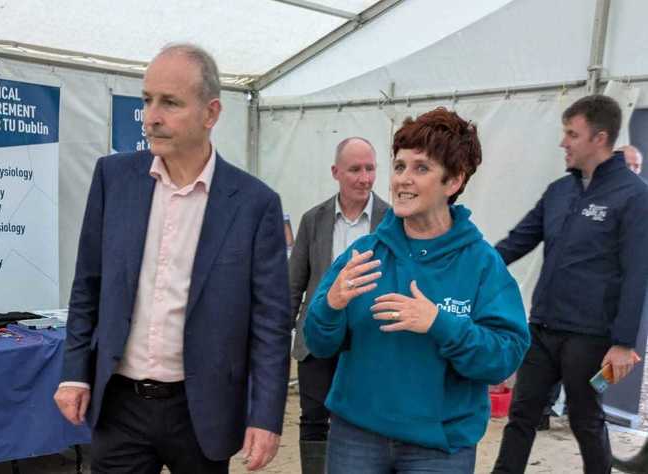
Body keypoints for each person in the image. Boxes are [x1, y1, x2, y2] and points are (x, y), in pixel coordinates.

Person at [54, 43, 292, 474]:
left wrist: (265, 415)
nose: (151, 116)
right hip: (120, 406)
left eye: (170, 102)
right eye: (147, 100)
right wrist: (74, 373)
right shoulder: (113, 179)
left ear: (211, 113)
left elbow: (270, 322)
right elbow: (88, 283)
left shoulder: (254, 204)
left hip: (203, 410)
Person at [304, 108, 530, 473]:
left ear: (453, 181)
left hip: (439, 450)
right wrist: (330, 306)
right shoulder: (364, 254)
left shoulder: (481, 264)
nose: (403, 180)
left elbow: (504, 358)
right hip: (356, 438)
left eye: (421, 168)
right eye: (399, 166)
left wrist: (440, 324)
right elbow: (318, 344)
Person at [492, 95, 648, 474]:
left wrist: (623, 343)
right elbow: (515, 243)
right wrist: (466, 266)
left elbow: (637, 274)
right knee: (522, 415)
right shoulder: (559, 191)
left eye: (572, 134)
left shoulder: (634, 196)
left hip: (590, 337)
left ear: (600, 138)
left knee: (585, 419)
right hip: (543, 328)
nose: (563, 142)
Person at [289, 137, 390, 473]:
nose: (364, 178)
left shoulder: (392, 220)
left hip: (368, 341)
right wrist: (276, 342)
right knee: (314, 420)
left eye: (370, 169)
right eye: (355, 170)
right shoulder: (313, 220)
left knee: (366, 421)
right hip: (317, 337)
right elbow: (294, 284)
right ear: (335, 172)